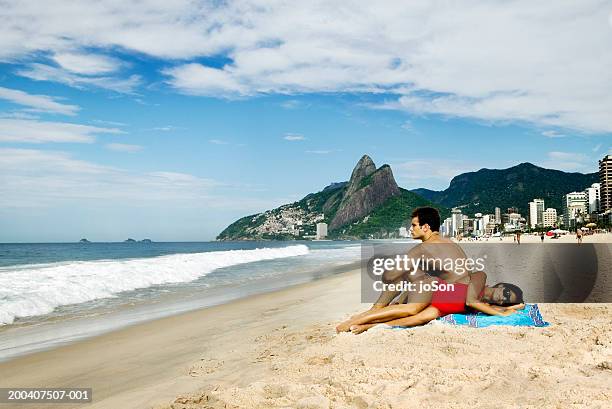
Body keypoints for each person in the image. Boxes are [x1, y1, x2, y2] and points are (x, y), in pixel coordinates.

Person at [336, 207, 474, 333]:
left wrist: (392, 273)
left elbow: (389, 277)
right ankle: (372, 317)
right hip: (465, 294)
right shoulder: (448, 242)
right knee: (415, 285)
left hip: (453, 296)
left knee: (405, 281)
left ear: (425, 227)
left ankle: (366, 315)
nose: (410, 229)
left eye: (414, 225)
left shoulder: (423, 248)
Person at [348, 272, 525, 334]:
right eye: (506, 292)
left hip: (442, 307)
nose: (503, 298)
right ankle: (360, 319)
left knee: (418, 319)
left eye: (506, 300)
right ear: (500, 285)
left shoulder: (487, 306)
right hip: (436, 289)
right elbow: (470, 300)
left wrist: (514, 306)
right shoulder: (481, 276)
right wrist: (502, 313)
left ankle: (369, 326)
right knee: (411, 310)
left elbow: (515, 307)